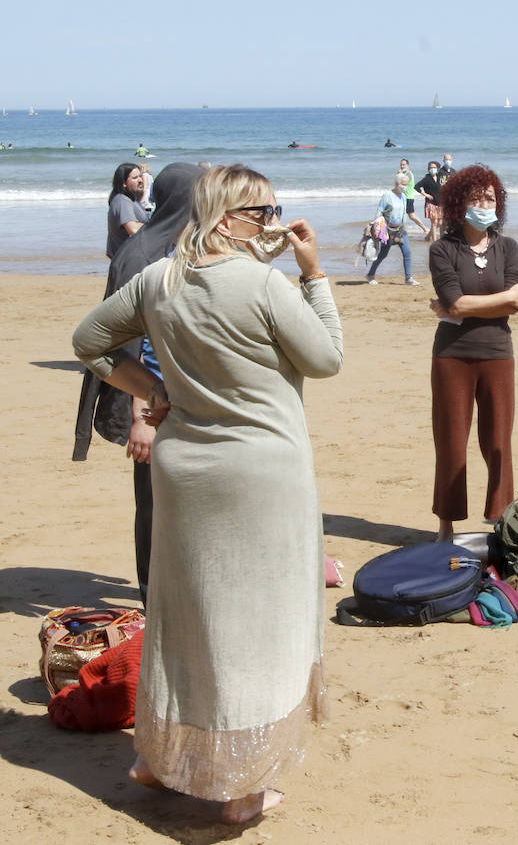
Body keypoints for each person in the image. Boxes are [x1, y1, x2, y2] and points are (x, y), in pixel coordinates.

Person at [71, 163, 343, 823]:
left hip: (186, 470)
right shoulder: (263, 285)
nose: (276, 224)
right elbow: (327, 356)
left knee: (187, 616)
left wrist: (153, 392)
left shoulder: (158, 280)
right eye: (265, 213)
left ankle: (159, 760)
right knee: (261, 626)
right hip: (262, 473)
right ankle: (242, 788)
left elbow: (90, 342)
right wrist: (314, 273)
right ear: (229, 217)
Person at [74, 163, 207, 604]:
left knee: (172, 498)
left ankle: (167, 589)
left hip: (171, 397)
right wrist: (143, 418)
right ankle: (155, 595)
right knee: (154, 502)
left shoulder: (167, 245)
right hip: (152, 399)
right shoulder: (144, 254)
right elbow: (132, 343)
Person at [428, 165, 518, 536]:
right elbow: (455, 304)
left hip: (498, 353)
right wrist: (497, 300)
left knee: (498, 440)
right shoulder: (443, 249)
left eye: (490, 198)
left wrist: (463, 305)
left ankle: (500, 519)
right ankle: (446, 524)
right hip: (452, 355)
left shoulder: (508, 247)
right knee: (451, 440)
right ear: (459, 204)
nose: (485, 204)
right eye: (476, 198)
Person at [367, 172, 419, 285]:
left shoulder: (404, 196)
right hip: (388, 230)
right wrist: (377, 229)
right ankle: (370, 275)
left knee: (407, 252)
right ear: (397, 183)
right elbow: (379, 212)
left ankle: (408, 278)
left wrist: (405, 226)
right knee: (383, 254)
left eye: (407, 185)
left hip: (401, 230)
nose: (405, 187)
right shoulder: (387, 195)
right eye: (403, 184)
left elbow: (403, 213)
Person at [105, 162, 148, 258]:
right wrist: (157, 226)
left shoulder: (131, 200)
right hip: (126, 260)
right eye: (135, 178)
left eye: (140, 176)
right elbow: (133, 229)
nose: (140, 180)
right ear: (124, 183)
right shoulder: (122, 200)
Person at [399, 158, 429, 236]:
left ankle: (425, 228)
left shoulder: (408, 173)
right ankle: (401, 230)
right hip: (404, 197)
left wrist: (399, 174)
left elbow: (403, 183)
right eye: (401, 165)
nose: (402, 166)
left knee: (412, 216)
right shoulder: (404, 173)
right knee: (401, 214)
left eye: (404, 164)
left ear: (408, 165)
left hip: (408, 197)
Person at [417, 160, 444, 236]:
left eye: (434, 167)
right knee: (434, 222)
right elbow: (417, 186)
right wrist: (425, 194)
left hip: (440, 202)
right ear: (428, 169)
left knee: (440, 222)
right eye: (431, 167)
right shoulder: (427, 178)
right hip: (430, 203)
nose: (433, 169)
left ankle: (429, 236)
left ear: (437, 168)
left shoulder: (440, 177)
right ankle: (434, 241)